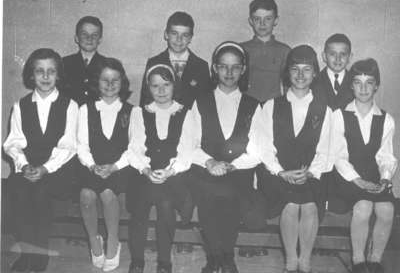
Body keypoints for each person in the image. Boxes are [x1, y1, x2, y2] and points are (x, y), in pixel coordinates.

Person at [184, 41, 263, 273]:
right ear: (215, 69)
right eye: (223, 67)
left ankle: (226, 256)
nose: (229, 73)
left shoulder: (253, 105)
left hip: (238, 172)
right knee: (209, 193)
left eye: (235, 67)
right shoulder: (200, 102)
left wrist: (231, 166)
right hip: (205, 171)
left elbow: (257, 150)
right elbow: (190, 144)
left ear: (243, 69)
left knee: (230, 194)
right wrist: (209, 162)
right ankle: (214, 257)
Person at [257, 45, 332, 273]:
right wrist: (281, 171)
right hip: (277, 175)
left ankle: (305, 260)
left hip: (311, 175)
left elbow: (327, 149)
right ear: (287, 73)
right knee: (290, 204)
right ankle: (291, 260)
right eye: (295, 69)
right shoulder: (271, 106)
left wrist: (310, 172)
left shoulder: (324, 109)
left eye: (307, 69)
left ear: (315, 73)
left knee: (309, 205)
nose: (300, 75)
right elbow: (264, 146)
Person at [3, 48, 78, 272]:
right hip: (28, 166)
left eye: (51, 71)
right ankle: (27, 252)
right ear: (31, 75)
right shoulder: (20, 106)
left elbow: (68, 145)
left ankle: (40, 252)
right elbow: (13, 143)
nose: (45, 77)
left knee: (40, 192)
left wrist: (45, 169)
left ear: (58, 75)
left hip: (58, 169)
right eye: (39, 71)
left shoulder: (70, 105)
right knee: (17, 190)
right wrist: (24, 165)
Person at [329, 59, 397, 273]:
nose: (364, 88)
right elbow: (338, 156)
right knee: (364, 207)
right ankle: (358, 260)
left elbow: (386, 155)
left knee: (387, 209)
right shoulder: (339, 115)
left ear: (377, 85)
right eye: (358, 82)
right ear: (351, 85)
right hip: (347, 177)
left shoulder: (386, 119)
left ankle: (374, 260)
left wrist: (385, 178)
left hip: (374, 177)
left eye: (369, 83)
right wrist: (357, 180)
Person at [126, 64, 194, 273]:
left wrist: (169, 172)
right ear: (148, 88)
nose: (161, 91)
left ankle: (164, 261)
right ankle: (137, 260)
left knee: (165, 203)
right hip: (146, 173)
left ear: (175, 85)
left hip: (174, 175)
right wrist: (146, 171)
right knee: (139, 205)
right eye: (155, 86)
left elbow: (186, 152)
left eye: (166, 85)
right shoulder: (139, 113)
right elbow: (134, 148)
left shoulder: (186, 113)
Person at [77, 57, 134, 271]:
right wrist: (92, 165)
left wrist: (114, 166)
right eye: (104, 80)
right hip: (92, 166)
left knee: (108, 193)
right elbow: (82, 145)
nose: (110, 85)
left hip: (119, 168)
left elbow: (133, 149)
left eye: (115, 80)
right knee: (86, 195)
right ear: (96, 82)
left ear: (123, 82)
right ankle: (94, 241)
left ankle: (113, 241)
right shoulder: (86, 109)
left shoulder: (131, 111)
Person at [139, 11, 212, 108]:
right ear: (166, 34)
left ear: (190, 38)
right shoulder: (154, 62)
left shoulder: (201, 66)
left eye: (185, 35)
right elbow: (146, 101)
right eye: (174, 33)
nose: (179, 39)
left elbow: (206, 104)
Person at [241, 0, 290, 103]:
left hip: (275, 106)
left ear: (276, 20)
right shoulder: (241, 50)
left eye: (268, 18)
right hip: (246, 106)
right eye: (257, 19)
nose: (262, 23)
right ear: (250, 21)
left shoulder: (285, 51)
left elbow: (288, 85)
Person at [62, 16, 107, 105]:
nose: (89, 38)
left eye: (94, 35)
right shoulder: (64, 63)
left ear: (100, 39)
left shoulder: (108, 65)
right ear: (77, 38)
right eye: (84, 34)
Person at [312, 33, 354, 110]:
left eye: (343, 54)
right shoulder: (314, 81)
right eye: (332, 54)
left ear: (350, 57)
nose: (338, 58)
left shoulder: (355, 82)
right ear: (324, 56)